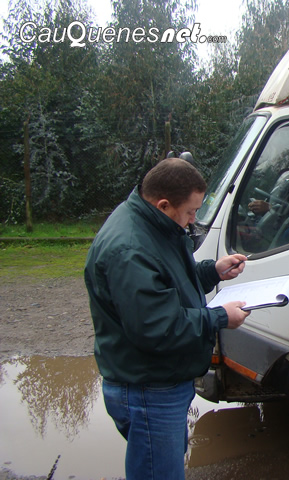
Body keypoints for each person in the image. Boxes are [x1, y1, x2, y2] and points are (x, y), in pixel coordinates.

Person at [84, 158, 250, 480]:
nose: (193, 220)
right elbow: (158, 328)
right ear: (163, 204)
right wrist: (219, 318)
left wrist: (212, 272)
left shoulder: (151, 224)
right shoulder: (130, 250)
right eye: (190, 212)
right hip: (150, 390)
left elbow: (166, 282)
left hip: (158, 381)